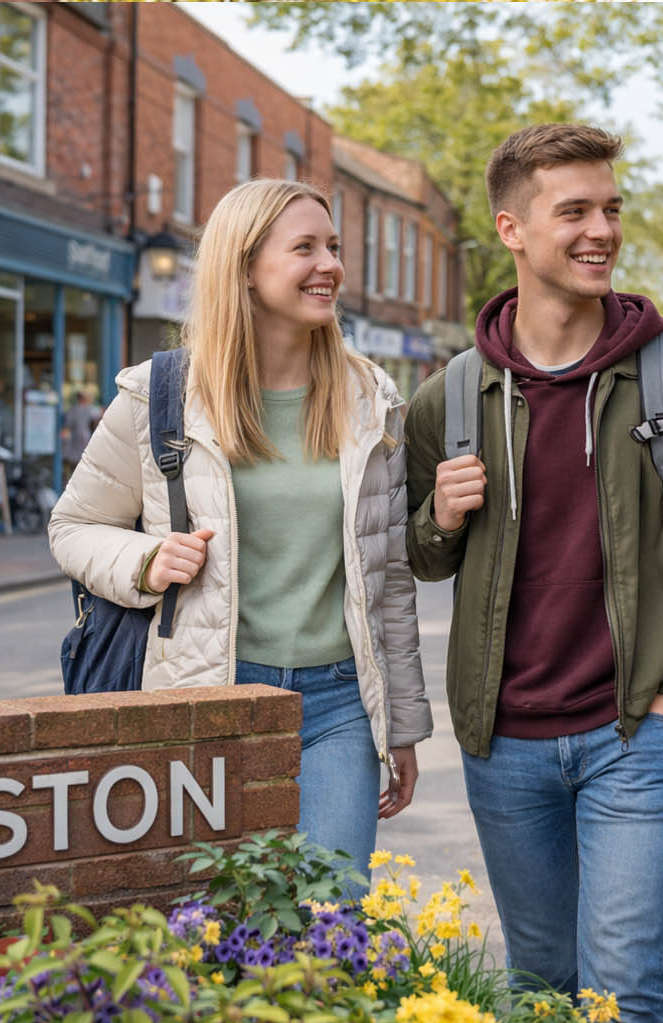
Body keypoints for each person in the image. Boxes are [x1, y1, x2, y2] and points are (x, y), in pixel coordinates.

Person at [404, 124, 663, 1021]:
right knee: (540, 988)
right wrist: (440, 515)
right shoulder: (448, 397)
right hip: (505, 742)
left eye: (611, 209)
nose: (602, 229)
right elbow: (421, 556)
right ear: (512, 229)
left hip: (638, 732)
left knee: (627, 989)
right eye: (575, 211)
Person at [49, 179, 432, 891]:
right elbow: (74, 526)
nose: (331, 266)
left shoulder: (368, 399)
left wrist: (400, 721)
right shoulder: (158, 395)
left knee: (330, 922)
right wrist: (146, 559)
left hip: (339, 706)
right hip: (210, 695)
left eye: (335, 247)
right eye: (305, 248)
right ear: (245, 267)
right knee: (211, 922)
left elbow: (391, 577)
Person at [60, 389, 98, 478]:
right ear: (83, 399)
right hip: (83, 439)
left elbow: (66, 428)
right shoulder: (89, 410)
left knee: (74, 465)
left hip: (74, 440)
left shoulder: (71, 411)